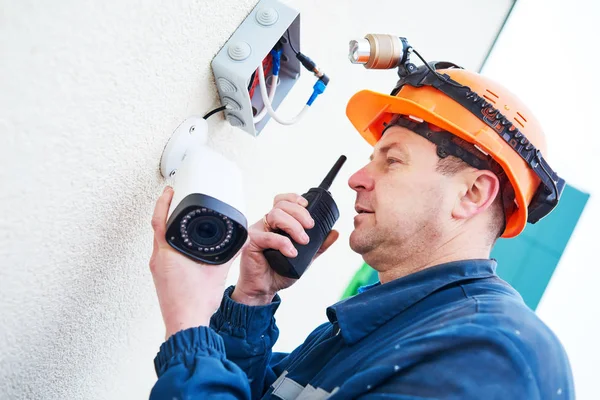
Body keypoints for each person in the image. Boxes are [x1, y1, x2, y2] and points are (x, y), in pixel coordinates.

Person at [148, 64, 575, 399]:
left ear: (472, 193)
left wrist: (188, 322)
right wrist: (251, 301)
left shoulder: (488, 356)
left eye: (392, 160)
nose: (356, 179)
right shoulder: (376, 326)